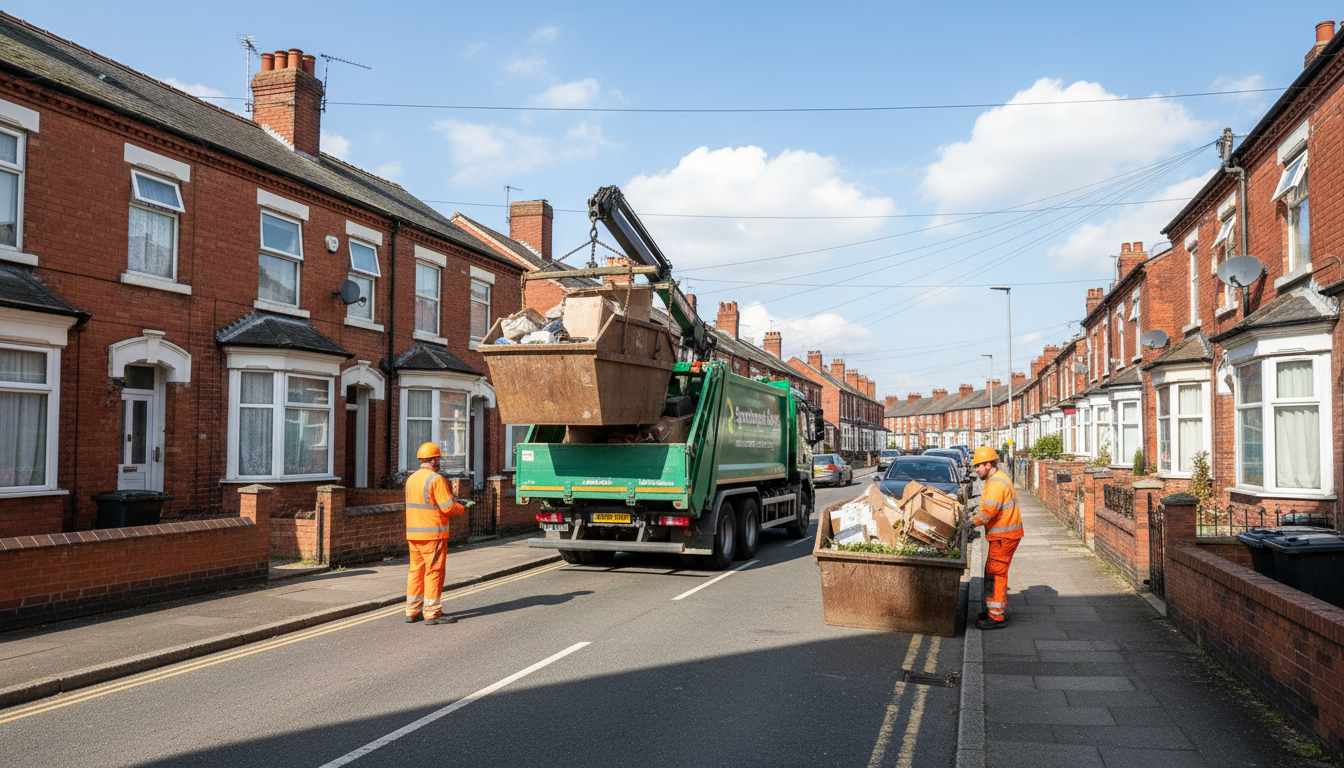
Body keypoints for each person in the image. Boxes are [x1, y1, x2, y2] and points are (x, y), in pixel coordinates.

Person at [404, 442, 468, 625]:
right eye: (438, 458)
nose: (438, 462)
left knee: (415, 571)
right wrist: (462, 507)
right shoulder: (436, 479)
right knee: (434, 571)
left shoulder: (411, 479)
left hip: (414, 534)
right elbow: (448, 508)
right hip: (433, 534)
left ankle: (412, 610)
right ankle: (432, 612)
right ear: (432, 460)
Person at [964, 447, 1024, 630]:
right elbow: (986, 507)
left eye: (979, 466)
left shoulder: (996, 483)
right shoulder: (995, 480)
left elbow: (988, 513)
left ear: (988, 464)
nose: (977, 470)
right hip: (1004, 535)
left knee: (996, 573)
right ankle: (993, 610)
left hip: (1003, 536)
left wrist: (970, 522)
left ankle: (996, 617)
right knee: (993, 571)